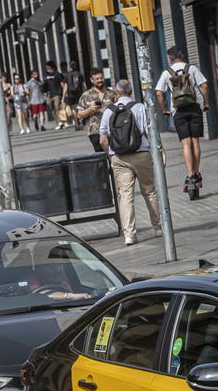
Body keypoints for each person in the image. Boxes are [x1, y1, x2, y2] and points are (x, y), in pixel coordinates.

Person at [99, 79, 162, 246]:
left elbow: (103, 139)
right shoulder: (140, 107)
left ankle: (129, 235)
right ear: (131, 91)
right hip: (141, 154)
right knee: (149, 191)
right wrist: (160, 150)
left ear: (117, 93)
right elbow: (151, 131)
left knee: (125, 195)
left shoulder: (108, 111)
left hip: (119, 158)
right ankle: (158, 227)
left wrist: (111, 154)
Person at [155, 46, 209, 197]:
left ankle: (190, 175)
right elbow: (204, 85)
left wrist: (165, 109)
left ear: (170, 58)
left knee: (186, 144)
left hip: (178, 111)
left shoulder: (167, 73)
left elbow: (158, 92)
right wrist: (205, 102)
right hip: (194, 108)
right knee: (195, 142)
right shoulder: (191, 69)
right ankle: (197, 173)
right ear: (182, 55)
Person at [75, 68, 115, 151]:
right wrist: (90, 109)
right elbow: (79, 115)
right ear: (92, 80)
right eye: (97, 79)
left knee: (114, 157)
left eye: (101, 78)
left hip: (111, 130)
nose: (100, 80)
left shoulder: (111, 94)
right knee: (101, 158)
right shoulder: (86, 96)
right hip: (95, 132)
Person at [42, 61, 65, 129]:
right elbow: (44, 85)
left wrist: (63, 93)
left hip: (57, 94)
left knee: (57, 107)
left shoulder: (57, 74)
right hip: (49, 95)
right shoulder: (46, 75)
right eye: (46, 67)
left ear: (51, 66)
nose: (47, 68)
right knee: (52, 110)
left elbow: (62, 83)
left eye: (48, 66)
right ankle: (58, 123)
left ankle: (61, 122)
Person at [64, 61, 85, 127]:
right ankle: (80, 120)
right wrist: (85, 93)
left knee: (73, 109)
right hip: (79, 93)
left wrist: (63, 96)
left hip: (70, 94)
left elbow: (66, 86)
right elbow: (84, 85)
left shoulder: (67, 75)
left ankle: (76, 121)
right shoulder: (80, 74)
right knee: (79, 107)